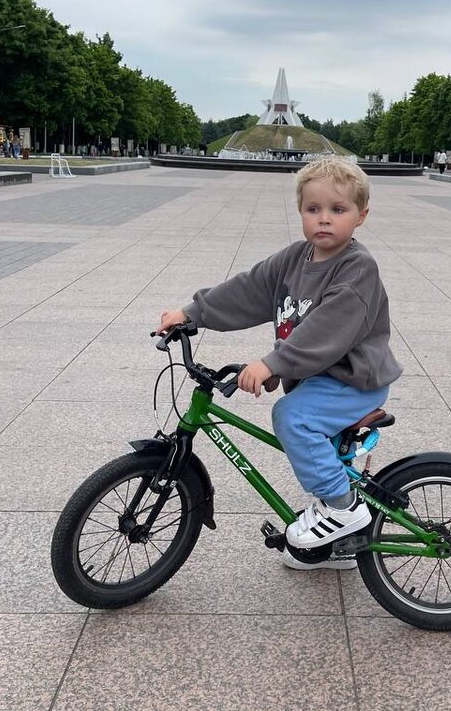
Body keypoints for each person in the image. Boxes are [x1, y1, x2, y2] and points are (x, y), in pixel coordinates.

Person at [155, 158, 402, 569]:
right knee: (313, 440)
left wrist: (274, 363)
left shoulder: (357, 268)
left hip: (354, 380)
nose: (324, 219)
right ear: (300, 211)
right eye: (313, 209)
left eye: (338, 209)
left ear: (361, 215)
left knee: (292, 417)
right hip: (321, 376)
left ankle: (342, 508)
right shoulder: (295, 258)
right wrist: (191, 313)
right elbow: (248, 289)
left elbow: (325, 329)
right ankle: (339, 545)